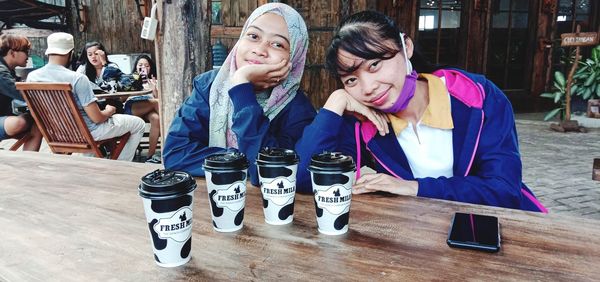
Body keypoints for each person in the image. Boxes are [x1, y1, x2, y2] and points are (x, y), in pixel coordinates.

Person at [295, 11, 546, 212]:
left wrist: (414, 188)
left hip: (503, 232)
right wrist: (336, 102)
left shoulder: (477, 96)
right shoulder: (364, 121)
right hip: (424, 241)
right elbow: (307, 180)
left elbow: (503, 190)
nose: (368, 88)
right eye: (350, 80)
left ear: (407, 47)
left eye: (374, 65)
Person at [163, 3, 316, 186]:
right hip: (212, 204)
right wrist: (241, 159)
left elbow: (271, 173)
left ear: (294, 58)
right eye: (253, 36)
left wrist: (242, 87)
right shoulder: (210, 88)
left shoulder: (298, 110)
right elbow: (176, 154)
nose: (260, 50)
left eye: (277, 44)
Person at [27, 32, 145, 161]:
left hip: (57, 134)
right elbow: (97, 118)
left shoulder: (32, 77)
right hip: (87, 133)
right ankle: (121, 165)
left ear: (48, 52)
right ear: (71, 53)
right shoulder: (77, 78)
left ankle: (95, 161)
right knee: (138, 124)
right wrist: (109, 111)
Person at [0, 34, 42, 150]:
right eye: (25, 51)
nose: (28, 55)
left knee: (38, 124)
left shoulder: (8, 70)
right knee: (21, 122)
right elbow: (22, 93)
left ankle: (28, 162)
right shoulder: (1, 72)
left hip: (3, 118)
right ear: (12, 53)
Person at [126, 54, 161, 163]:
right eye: (140, 65)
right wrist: (132, 83)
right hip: (134, 106)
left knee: (156, 119)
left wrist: (154, 89)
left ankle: (150, 156)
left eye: (147, 65)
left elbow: (158, 98)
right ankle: (171, 129)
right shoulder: (131, 79)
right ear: (136, 66)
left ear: (151, 67)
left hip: (149, 107)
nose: (143, 67)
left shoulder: (154, 80)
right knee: (156, 103)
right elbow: (123, 97)